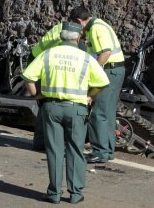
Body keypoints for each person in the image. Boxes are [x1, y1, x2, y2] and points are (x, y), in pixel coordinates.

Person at [22, 24, 110, 204]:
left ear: (61, 37)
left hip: (51, 107)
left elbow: (28, 77)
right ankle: (75, 193)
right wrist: (89, 97)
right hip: (76, 109)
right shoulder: (85, 58)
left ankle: (54, 193)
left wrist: (36, 95)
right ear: (78, 39)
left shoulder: (47, 54)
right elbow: (102, 83)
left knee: (54, 150)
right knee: (75, 149)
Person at [72, 6, 125, 163]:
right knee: (107, 112)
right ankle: (107, 150)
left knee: (98, 112)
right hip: (116, 71)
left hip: (109, 71)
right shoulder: (100, 24)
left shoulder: (95, 28)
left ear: (78, 21)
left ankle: (100, 152)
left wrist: (94, 71)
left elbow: (106, 52)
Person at [30, 21, 84, 151]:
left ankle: (40, 142)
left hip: (39, 59)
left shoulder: (60, 29)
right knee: (51, 103)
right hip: (47, 64)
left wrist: (36, 95)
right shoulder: (69, 37)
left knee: (45, 104)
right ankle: (51, 143)